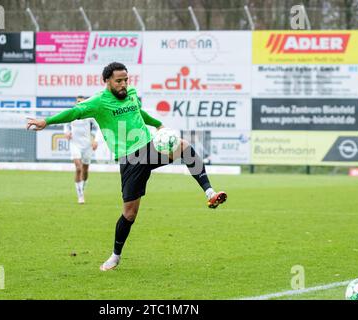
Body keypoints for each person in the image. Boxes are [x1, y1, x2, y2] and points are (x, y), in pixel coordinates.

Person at [27, 62, 227, 271]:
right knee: (130, 214)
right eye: (119, 81)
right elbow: (74, 113)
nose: (124, 84)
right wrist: (46, 121)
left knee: (184, 147)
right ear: (107, 81)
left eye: (126, 80)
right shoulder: (98, 102)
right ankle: (115, 255)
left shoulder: (131, 93)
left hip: (150, 147)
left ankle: (210, 193)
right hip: (130, 159)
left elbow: (139, 113)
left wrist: (158, 124)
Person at [63, 96, 99, 204]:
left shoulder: (89, 116)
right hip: (75, 144)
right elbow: (65, 125)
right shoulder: (72, 114)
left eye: (82, 102)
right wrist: (66, 132)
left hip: (87, 145)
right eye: (78, 102)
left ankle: (82, 189)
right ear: (75, 103)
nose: (80, 103)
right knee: (78, 168)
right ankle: (80, 195)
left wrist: (95, 140)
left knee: (85, 170)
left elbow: (98, 127)